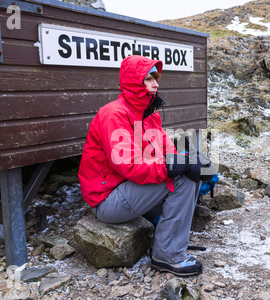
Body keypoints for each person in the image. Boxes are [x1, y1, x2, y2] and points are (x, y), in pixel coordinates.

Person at [78, 55, 213, 276]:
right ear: (134, 82)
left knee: (190, 170)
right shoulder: (114, 114)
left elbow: (168, 151)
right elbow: (129, 166)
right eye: (149, 78)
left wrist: (190, 160)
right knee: (181, 177)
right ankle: (167, 256)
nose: (156, 83)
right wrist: (176, 166)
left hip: (131, 190)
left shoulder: (149, 115)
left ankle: (168, 240)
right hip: (108, 199)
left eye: (156, 78)